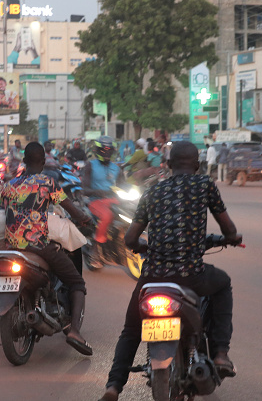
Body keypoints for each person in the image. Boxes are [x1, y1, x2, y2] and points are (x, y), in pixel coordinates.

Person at [98, 141, 242, 401]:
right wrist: (231, 237)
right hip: (192, 275)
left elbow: (130, 239)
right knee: (223, 284)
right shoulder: (204, 185)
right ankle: (220, 353)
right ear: (197, 165)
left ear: (167, 164)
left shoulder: (153, 191)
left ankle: (113, 386)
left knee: (131, 331)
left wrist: (143, 245)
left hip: (153, 276)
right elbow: (227, 227)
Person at [0, 142, 93, 356]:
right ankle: (75, 332)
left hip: (11, 246)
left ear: (23, 161)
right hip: (38, 245)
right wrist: (85, 218)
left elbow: (1, 209)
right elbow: (70, 208)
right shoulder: (47, 182)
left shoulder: (10, 184)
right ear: (42, 162)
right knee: (77, 282)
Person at [82, 136, 123, 266]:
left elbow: (124, 185)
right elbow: (84, 189)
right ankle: (95, 248)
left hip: (113, 200)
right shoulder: (90, 165)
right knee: (107, 216)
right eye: (103, 150)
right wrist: (97, 192)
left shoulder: (116, 168)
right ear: (97, 150)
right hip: (96, 201)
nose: (106, 153)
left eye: (109, 150)